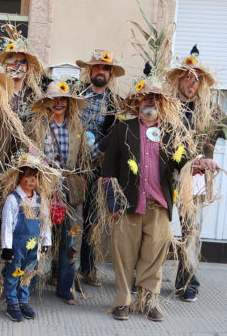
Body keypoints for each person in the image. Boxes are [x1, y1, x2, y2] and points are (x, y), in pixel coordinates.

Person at [101, 65, 219, 322]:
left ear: (163, 103)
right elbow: (108, 170)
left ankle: (148, 302)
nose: (150, 102)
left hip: (158, 204)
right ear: (137, 102)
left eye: (155, 98)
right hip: (127, 204)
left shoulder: (171, 132)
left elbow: (184, 161)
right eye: (146, 97)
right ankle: (122, 303)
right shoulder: (124, 129)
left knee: (153, 258)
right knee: (124, 256)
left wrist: (202, 163)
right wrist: (112, 203)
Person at [166, 45, 227, 302]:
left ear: (201, 83)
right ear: (179, 79)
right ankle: (143, 279)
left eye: (196, 78)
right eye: (187, 77)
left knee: (192, 232)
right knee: (154, 229)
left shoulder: (211, 110)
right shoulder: (167, 107)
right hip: (165, 177)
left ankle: (187, 283)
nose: (191, 82)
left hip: (195, 180)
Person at [27, 80, 89, 305]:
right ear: (47, 103)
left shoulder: (77, 127)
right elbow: (30, 152)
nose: (59, 103)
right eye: (54, 99)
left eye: (63, 99)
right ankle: (28, 284)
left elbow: (84, 157)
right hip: (43, 184)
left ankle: (66, 287)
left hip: (70, 185)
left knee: (72, 236)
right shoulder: (37, 125)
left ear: (69, 103)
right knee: (35, 234)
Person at [75, 49, 125, 286]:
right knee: (66, 216)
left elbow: (117, 135)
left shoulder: (115, 103)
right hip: (73, 162)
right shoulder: (75, 95)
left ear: (110, 74)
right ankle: (60, 268)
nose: (100, 71)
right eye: (96, 67)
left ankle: (88, 267)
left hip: (98, 165)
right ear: (90, 70)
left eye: (105, 68)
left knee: (92, 218)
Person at [0, 152, 61, 322]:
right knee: (13, 273)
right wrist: (6, 247)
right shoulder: (13, 200)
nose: (31, 181)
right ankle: (12, 303)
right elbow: (6, 225)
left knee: (27, 273)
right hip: (17, 246)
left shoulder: (40, 201)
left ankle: (23, 300)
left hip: (33, 246)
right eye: (27, 176)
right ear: (19, 177)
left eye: (34, 177)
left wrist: (46, 241)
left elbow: (45, 222)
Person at [0, 24, 44, 121]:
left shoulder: (35, 95)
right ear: (5, 65)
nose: (18, 66)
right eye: (13, 62)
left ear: (28, 67)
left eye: (22, 62)